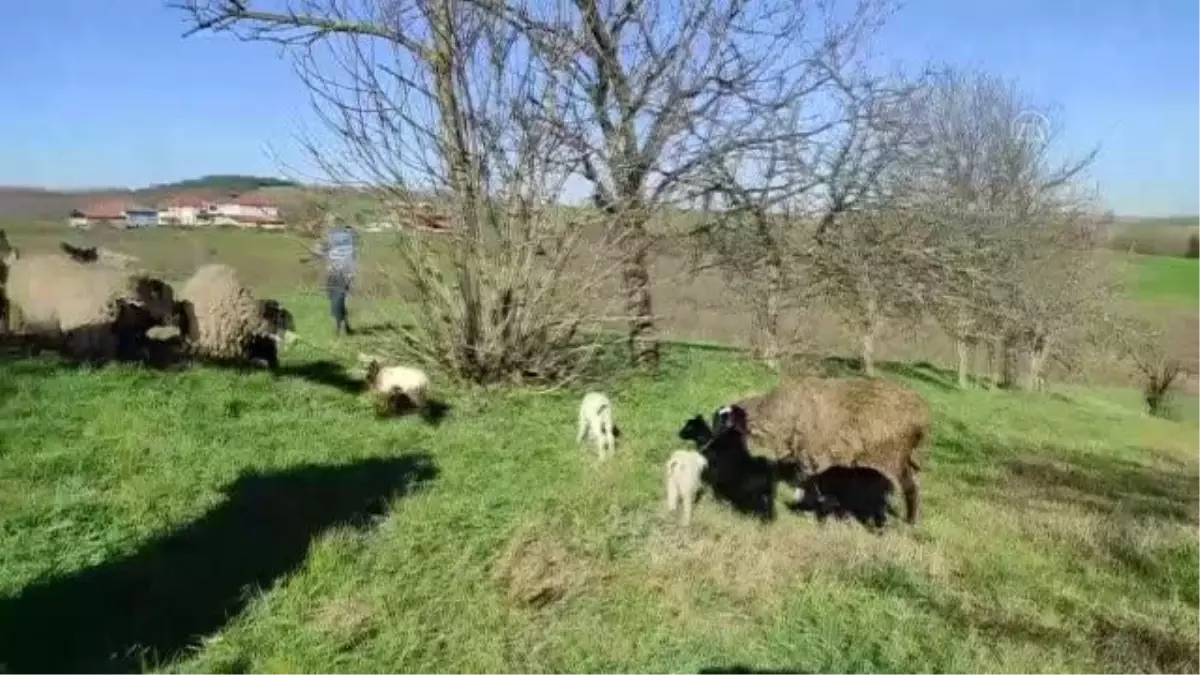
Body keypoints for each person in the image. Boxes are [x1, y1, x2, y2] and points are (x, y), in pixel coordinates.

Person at [312, 218, 359, 336]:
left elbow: (318, 252)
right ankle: (345, 326)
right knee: (340, 299)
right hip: (347, 273)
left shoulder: (329, 236)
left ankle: (339, 327)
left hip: (336, 273)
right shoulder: (350, 236)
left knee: (336, 300)